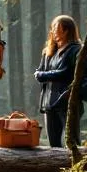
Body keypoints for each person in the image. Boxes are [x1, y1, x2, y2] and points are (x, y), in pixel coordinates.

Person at [35, 15, 82, 148]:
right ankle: (59, 169)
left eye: (56, 27)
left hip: (68, 102)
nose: (53, 30)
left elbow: (66, 73)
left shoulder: (76, 50)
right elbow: (40, 70)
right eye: (53, 27)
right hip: (49, 104)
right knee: (53, 145)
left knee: (73, 143)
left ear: (66, 30)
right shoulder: (49, 51)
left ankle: (77, 168)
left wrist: (42, 75)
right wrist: (39, 73)